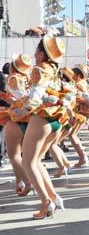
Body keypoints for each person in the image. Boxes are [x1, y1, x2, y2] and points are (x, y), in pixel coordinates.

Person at [21, 36, 68, 219]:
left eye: (35, 53)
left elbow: (37, 93)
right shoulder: (55, 70)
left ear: (41, 55)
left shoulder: (41, 69)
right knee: (37, 160)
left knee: (28, 162)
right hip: (55, 120)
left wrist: (25, 107)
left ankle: (45, 203)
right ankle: (53, 197)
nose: (33, 56)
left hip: (42, 119)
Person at [2, 54, 32, 195]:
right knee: (19, 155)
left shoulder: (13, 78)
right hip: (27, 120)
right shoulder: (26, 78)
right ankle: (19, 182)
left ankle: (28, 182)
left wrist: (12, 102)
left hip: (16, 118)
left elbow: (21, 98)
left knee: (13, 155)